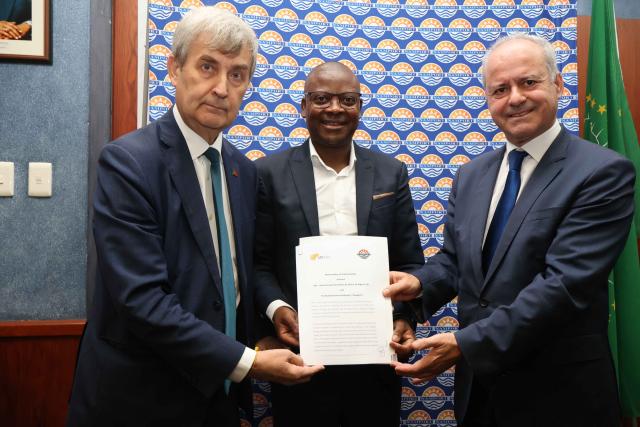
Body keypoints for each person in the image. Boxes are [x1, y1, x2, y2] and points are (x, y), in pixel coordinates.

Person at [66, 8, 322, 427]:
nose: (221, 88)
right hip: (140, 400)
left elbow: (236, 275)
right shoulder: (128, 163)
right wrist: (249, 363)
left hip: (216, 400)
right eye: (208, 67)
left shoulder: (244, 172)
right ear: (174, 68)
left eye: (237, 75)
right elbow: (143, 301)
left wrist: (274, 310)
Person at [384, 33, 636, 427]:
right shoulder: (471, 175)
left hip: (560, 396)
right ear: (488, 101)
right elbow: (455, 263)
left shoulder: (602, 172)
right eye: (500, 89)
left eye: (528, 82)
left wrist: (466, 345)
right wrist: (416, 289)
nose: (514, 97)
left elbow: (564, 285)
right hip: (480, 395)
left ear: (557, 84)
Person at [253, 61, 424, 426]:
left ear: (360, 107)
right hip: (299, 361)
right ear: (303, 106)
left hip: (376, 363)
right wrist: (277, 308)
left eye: (347, 99)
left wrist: (404, 316)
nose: (334, 108)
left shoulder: (391, 172)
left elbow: (410, 262)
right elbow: (258, 264)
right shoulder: (268, 173)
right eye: (321, 98)